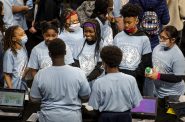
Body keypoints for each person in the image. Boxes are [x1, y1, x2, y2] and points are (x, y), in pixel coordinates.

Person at [30, 38, 91, 122]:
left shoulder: (40, 74)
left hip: (48, 118)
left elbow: (34, 98)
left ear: (49, 54)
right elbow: (86, 95)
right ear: (65, 53)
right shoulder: (78, 73)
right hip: (73, 118)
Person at [88, 45, 142, 122]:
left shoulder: (99, 82)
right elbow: (136, 103)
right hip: (125, 117)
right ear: (119, 61)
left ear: (104, 63)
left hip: (105, 118)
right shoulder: (131, 80)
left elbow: (95, 107)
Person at [145, 26, 185, 121]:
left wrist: (158, 76)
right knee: (159, 115)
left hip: (173, 95)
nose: (161, 39)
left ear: (173, 40)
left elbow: (178, 77)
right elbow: (155, 65)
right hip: (159, 92)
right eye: (160, 36)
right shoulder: (157, 48)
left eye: (164, 38)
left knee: (169, 118)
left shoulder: (178, 56)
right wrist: (150, 71)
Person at [113, 3, 152, 94]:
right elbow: (113, 59)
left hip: (136, 78)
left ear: (136, 21)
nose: (126, 25)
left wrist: (135, 74)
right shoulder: (118, 37)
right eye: (125, 22)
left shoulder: (144, 39)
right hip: (118, 77)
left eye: (129, 22)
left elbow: (147, 62)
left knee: (136, 106)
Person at [73, 19, 103, 84]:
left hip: (95, 81)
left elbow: (100, 66)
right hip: (80, 80)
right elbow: (75, 62)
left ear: (97, 31)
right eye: (85, 31)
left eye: (91, 31)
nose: (88, 34)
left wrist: (88, 78)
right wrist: (81, 78)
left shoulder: (102, 45)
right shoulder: (78, 43)